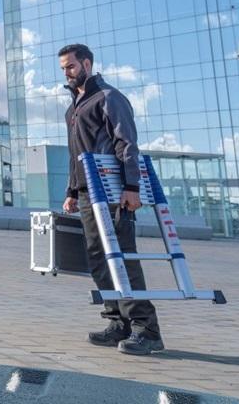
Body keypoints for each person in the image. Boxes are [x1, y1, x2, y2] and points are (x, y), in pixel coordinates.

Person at [58, 42, 164, 355]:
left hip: (114, 191)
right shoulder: (73, 108)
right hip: (88, 193)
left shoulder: (109, 98)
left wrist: (132, 186)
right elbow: (75, 154)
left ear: (87, 64)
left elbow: (127, 144)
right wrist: (71, 191)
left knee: (123, 258)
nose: (67, 73)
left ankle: (148, 330)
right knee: (98, 259)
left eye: (71, 66)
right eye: (63, 68)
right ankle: (119, 323)